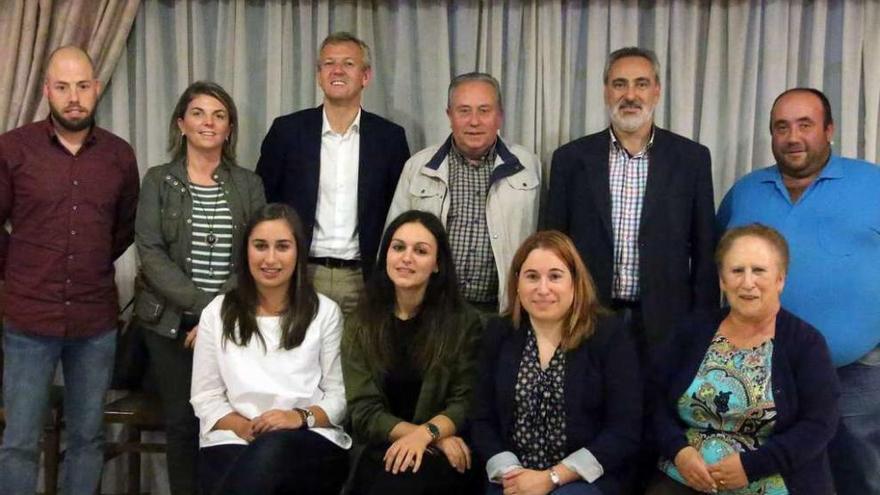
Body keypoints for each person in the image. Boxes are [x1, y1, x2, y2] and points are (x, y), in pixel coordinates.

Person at [717, 88, 880, 494]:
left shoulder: (872, 183)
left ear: (829, 130)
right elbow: (717, 262)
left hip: (856, 371)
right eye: (782, 127)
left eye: (805, 125)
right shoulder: (746, 191)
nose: (793, 137)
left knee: (860, 473)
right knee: (780, 476)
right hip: (764, 372)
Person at [0, 45, 140, 494]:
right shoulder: (12, 149)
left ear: (96, 89)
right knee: (20, 441)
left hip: (94, 322)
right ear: (47, 91)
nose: (73, 97)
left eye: (82, 86)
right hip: (28, 321)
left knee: (88, 438)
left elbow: (124, 229)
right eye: (62, 87)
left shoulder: (119, 156)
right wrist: (22, 266)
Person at [132, 81, 265, 494]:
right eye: (199, 113)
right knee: (182, 424)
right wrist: (201, 311)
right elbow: (150, 253)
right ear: (181, 124)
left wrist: (215, 317)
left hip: (230, 322)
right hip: (168, 325)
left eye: (219, 115)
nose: (209, 122)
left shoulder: (248, 185)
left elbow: (256, 255)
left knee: (231, 421)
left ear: (229, 129)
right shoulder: (158, 180)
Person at [545, 47, 717, 352]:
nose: (630, 95)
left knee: (656, 402)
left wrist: (703, 323)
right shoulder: (570, 159)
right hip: (587, 317)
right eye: (619, 84)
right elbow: (552, 245)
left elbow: (705, 251)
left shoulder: (691, 159)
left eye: (641, 83)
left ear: (656, 91)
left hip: (666, 324)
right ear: (606, 92)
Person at [648, 224, 839, 495]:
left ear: (780, 279)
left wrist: (751, 467)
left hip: (772, 480)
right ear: (722, 280)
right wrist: (678, 451)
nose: (747, 283)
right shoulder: (692, 331)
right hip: (684, 477)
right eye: (737, 271)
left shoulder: (806, 343)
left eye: (759, 271)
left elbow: (820, 424)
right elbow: (654, 400)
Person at [190, 203, 350, 495]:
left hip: (308, 436)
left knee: (270, 453)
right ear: (245, 251)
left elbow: (339, 398)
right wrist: (242, 427)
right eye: (260, 246)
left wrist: (297, 417)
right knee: (243, 467)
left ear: (299, 252)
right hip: (234, 436)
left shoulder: (325, 313)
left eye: (283, 246)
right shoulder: (217, 312)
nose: (271, 259)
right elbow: (205, 397)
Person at [472, 230, 642, 495]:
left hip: (584, 479)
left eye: (555, 276)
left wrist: (552, 477)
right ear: (517, 283)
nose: (543, 288)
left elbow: (624, 429)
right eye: (531, 277)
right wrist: (513, 474)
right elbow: (481, 418)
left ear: (575, 282)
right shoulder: (499, 332)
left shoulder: (609, 335)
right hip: (513, 476)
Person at [256, 31, 410, 315]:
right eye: (329, 63)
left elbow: (398, 211)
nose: (337, 70)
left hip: (363, 279)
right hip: (300, 273)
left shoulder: (389, 138)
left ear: (365, 76)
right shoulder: (287, 132)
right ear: (319, 74)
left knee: (358, 360)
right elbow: (264, 204)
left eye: (348, 63)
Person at [342, 210, 483, 494]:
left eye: (420, 251)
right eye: (398, 247)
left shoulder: (465, 323)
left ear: (437, 264)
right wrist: (425, 437)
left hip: (444, 454)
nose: (406, 258)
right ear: (386, 256)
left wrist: (427, 437)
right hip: (380, 447)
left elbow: (464, 403)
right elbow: (364, 412)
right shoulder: (361, 322)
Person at [386, 72, 541, 314]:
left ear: (499, 116)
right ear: (449, 115)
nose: (474, 121)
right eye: (464, 111)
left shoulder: (529, 167)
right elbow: (392, 240)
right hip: (434, 311)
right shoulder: (418, 167)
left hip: (501, 311)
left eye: (484, 110)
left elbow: (544, 241)